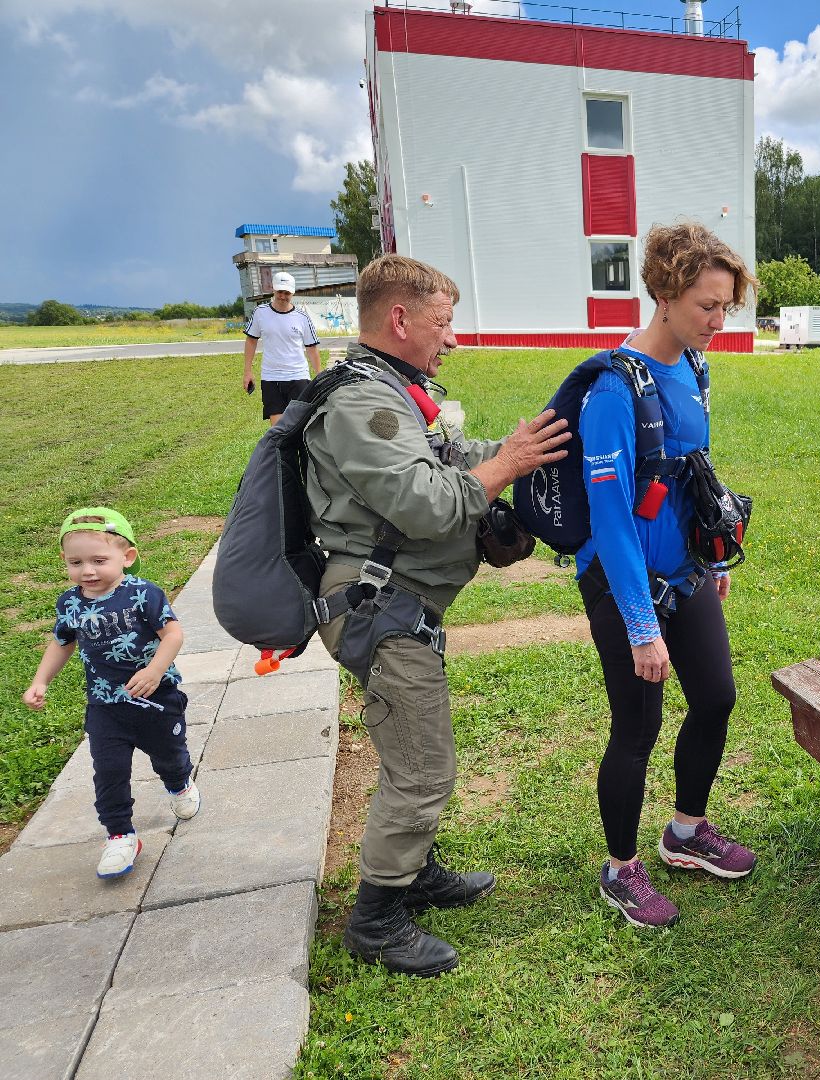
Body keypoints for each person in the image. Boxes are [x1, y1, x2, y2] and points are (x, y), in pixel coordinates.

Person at [305, 253, 570, 976]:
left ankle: (412, 869)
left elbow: (449, 458)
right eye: (443, 322)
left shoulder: (392, 389)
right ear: (400, 318)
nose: (451, 338)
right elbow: (425, 502)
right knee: (422, 770)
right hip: (380, 609)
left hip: (397, 605)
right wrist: (507, 465)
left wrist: (525, 451)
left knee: (413, 757)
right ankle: (377, 920)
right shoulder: (363, 403)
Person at [577, 222, 759, 929]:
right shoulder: (614, 390)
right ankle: (620, 869)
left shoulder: (694, 366)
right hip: (624, 585)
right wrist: (641, 627)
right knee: (637, 728)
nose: (718, 322)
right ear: (663, 292)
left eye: (725, 308)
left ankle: (685, 831)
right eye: (706, 306)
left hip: (685, 572)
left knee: (715, 698)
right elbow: (613, 518)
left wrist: (712, 560)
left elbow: (689, 479)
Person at [22, 507, 200, 879]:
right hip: (106, 705)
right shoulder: (70, 602)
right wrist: (41, 680)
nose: (87, 570)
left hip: (156, 700)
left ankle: (179, 783)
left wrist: (154, 670)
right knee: (109, 772)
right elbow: (62, 643)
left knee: (169, 757)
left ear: (127, 557)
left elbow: (174, 634)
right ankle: (120, 834)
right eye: (76, 562)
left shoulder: (143, 593)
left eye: (99, 560)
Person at [242, 270, 322, 424]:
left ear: (292, 293)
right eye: (280, 292)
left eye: (287, 293)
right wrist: (247, 372)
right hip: (271, 378)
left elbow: (312, 348)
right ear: (273, 289)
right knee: (277, 430)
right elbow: (251, 341)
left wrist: (319, 376)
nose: (283, 296)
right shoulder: (260, 313)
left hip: (298, 377)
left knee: (299, 425)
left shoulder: (302, 317)